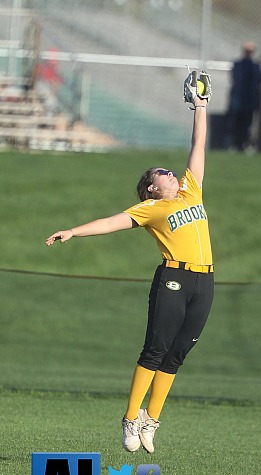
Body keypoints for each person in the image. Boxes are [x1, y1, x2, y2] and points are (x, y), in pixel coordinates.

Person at [45, 84, 214, 454]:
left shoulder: (191, 192)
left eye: (170, 171)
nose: (171, 174)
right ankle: (130, 417)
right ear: (152, 189)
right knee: (156, 349)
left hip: (205, 279)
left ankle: (151, 421)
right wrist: (73, 231)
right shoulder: (150, 209)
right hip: (174, 276)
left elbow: (198, 145)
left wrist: (199, 105)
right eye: (163, 174)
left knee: (178, 353)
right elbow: (109, 223)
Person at [228, 41, 261, 151]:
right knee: (235, 124)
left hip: (249, 102)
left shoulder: (255, 66)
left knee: (246, 125)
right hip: (238, 101)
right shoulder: (238, 65)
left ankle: (243, 144)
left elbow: (257, 83)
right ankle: (235, 144)